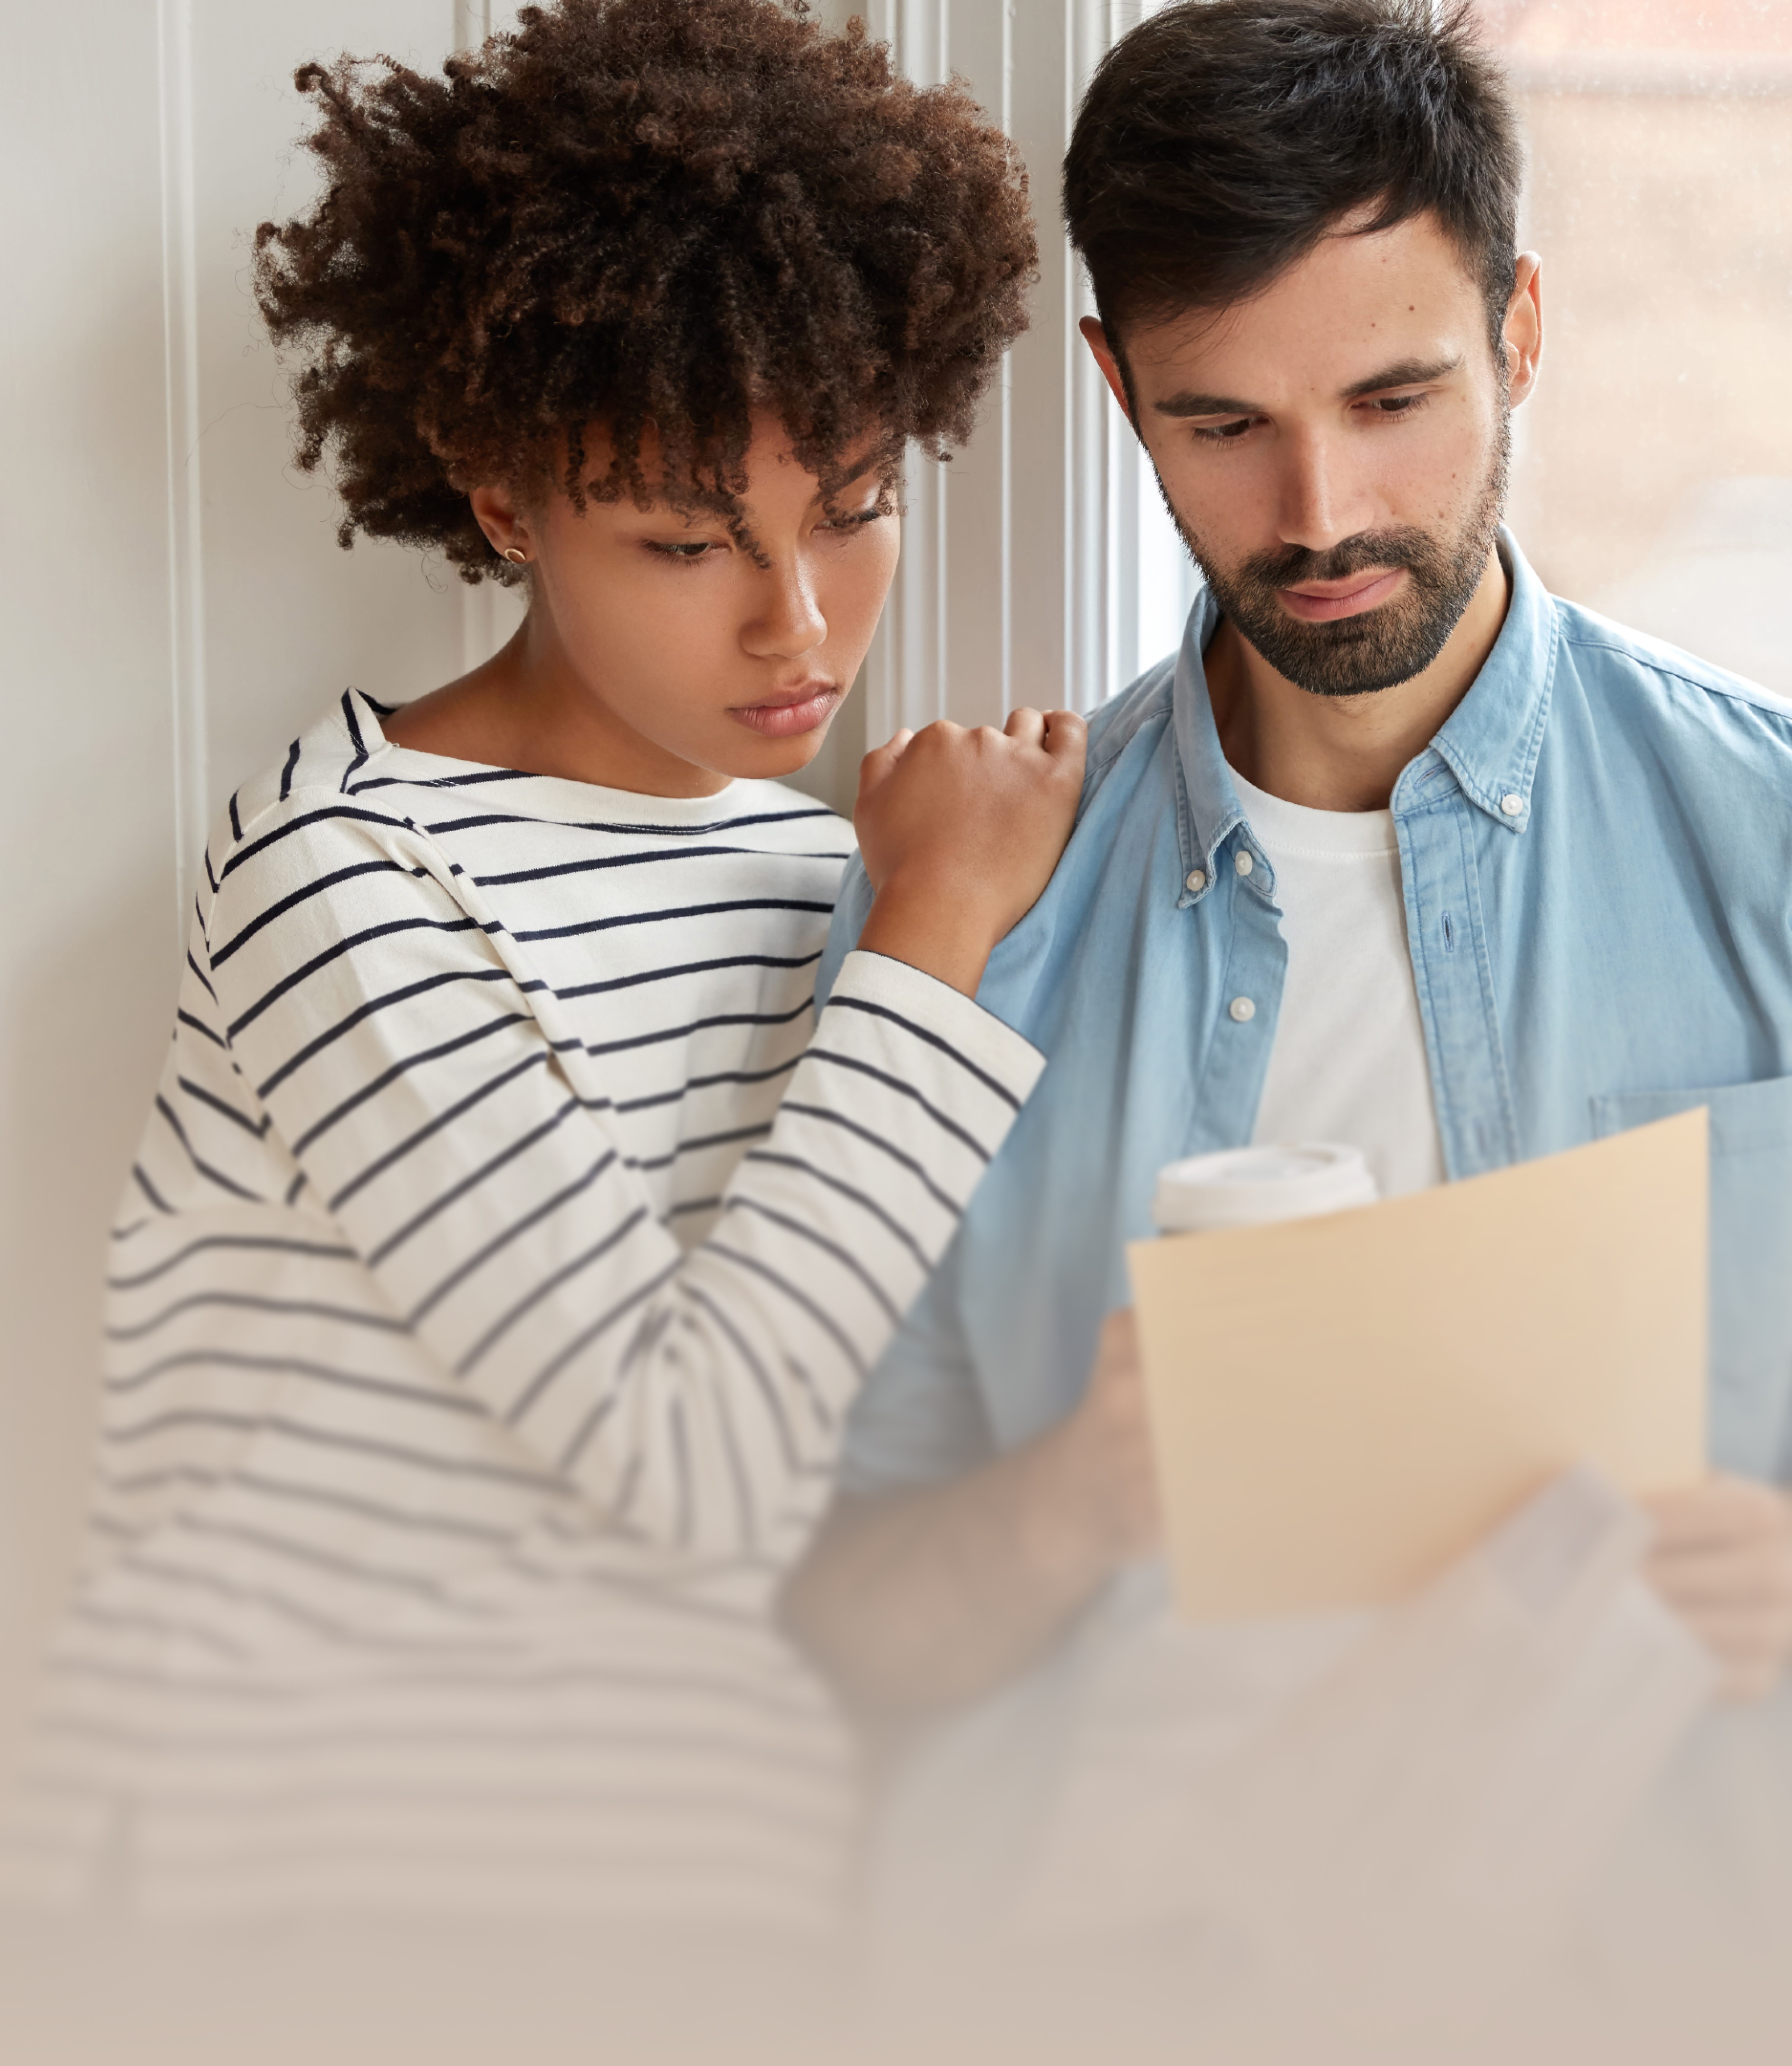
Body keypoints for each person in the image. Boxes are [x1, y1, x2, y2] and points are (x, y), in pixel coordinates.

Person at [3, 0, 1086, 1929]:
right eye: (688, 545)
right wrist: (929, 934)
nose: (803, 625)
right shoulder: (342, 879)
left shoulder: (819, 871)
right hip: (284, 1889)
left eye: (856, 508)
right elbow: (696, 1463)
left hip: (688, 1900)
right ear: (505, 502)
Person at [782, 0, 1792, 1726]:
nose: (1321, 512)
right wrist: (1066, 1509)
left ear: (1520, 330)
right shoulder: (958, 930)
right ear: (1118, 390)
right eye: (1225, 424)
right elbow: (826, 1649)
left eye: (1394, 397)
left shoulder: (1764, 847)